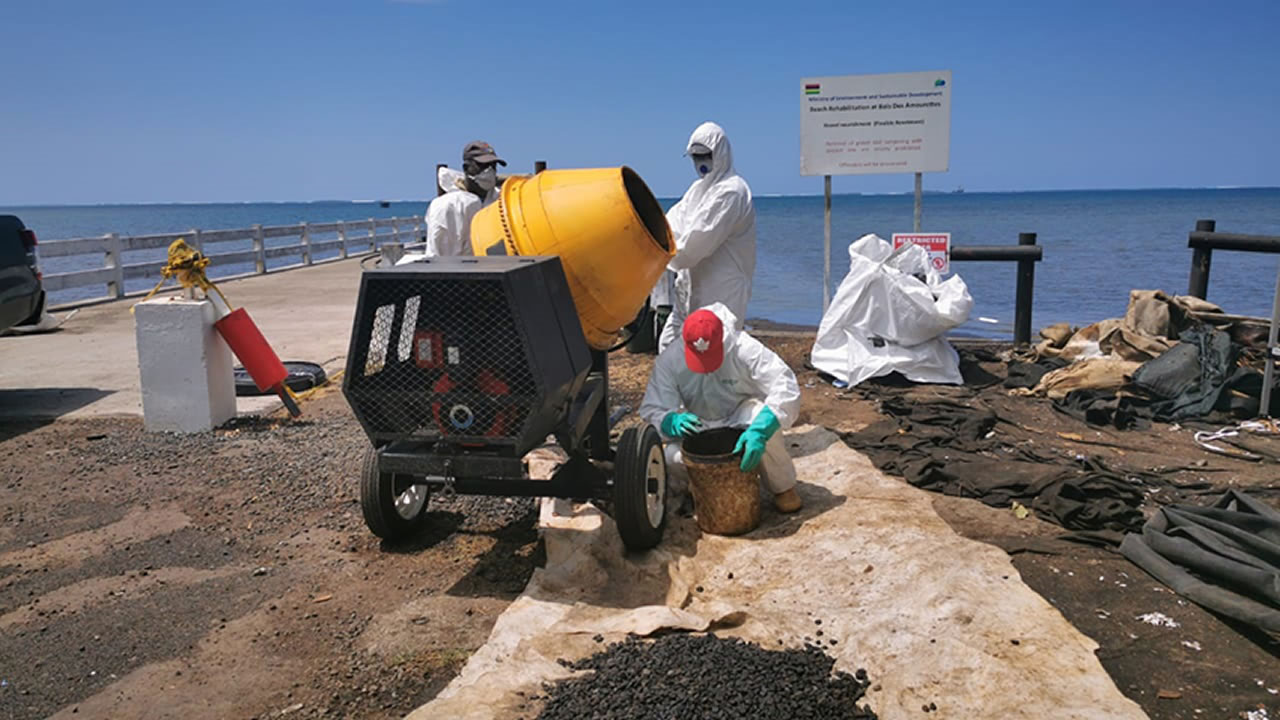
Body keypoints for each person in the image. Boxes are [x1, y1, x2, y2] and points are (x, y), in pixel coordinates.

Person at [640, 303, 803, 513]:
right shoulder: (670, 359)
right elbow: (653, 407)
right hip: (699, 422)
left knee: (767, 428)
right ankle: (699, 489)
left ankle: (782, 487)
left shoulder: (745, 348)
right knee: (672, 456)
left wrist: (760, 429)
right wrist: (669, 421)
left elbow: (785, 386)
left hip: (742, 414)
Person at [656, 122, 757, 354]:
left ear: (720, 153)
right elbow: (671, 224)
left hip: (720, 294)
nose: (701, 163)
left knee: (711, 360)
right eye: (696, 157)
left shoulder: (732, 192)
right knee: (668, 351)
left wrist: (662, 252)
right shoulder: (698, 190)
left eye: (706, 156)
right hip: (688, 291)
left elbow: (695, 244)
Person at [418, 141, 506, 258]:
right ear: (466, 168)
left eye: (493, 166)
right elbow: (438, 255)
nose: (489, 171)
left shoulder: (501, 200)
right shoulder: (448, 205)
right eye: (482, 166)